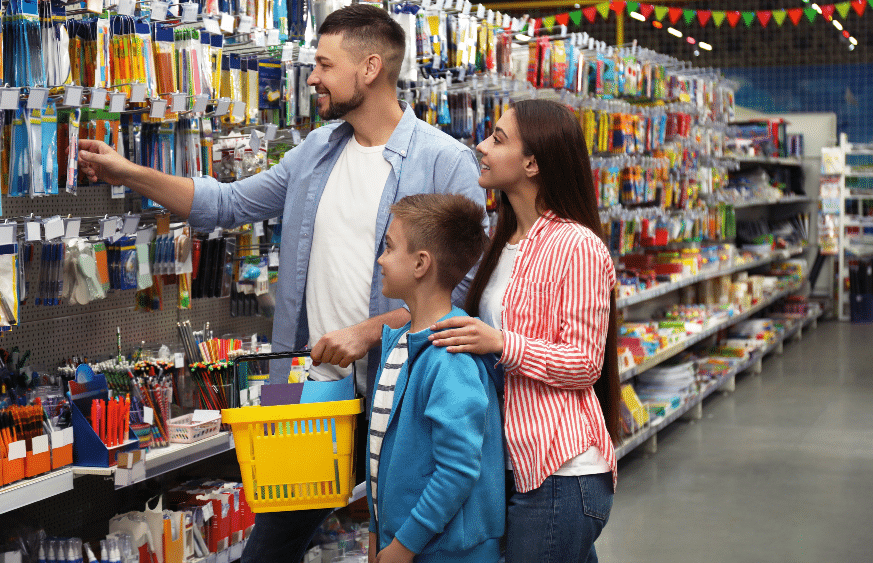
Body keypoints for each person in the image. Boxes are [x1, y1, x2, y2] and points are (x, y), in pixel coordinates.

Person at [76, 5, 484, 563]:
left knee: (398, 542)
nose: (312, 77)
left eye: (323, 64)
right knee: (271, 545)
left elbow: (458, 297)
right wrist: (128, 172)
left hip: (402, 393)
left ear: (369, 68)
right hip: (316, 390)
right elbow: (224, 203)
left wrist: (368, 331)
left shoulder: (445, 162)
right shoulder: (318, 150)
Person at [428, 99, 621, 563]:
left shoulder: (576, 245)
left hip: (560, 472)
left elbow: (583, 363)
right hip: (516, 466)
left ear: (532, 163)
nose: (481, 147)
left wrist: (501, 343)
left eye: (498, 138)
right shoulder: (504, 239)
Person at [367, 194, 503, 563]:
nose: (380, 259)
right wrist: (378, 533)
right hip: (406, 545)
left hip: (448, 553)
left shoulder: (449, 357)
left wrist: (404, 545)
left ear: (420, 264)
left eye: (390, 248)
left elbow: (457, 470)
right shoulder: (399, 343)